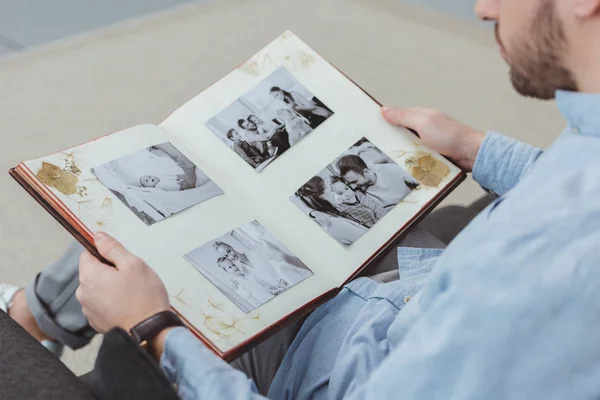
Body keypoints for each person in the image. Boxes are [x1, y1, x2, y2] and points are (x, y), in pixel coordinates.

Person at [3, 0, 600, 398]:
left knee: (142, 234)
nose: (483, 8)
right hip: (413, 283)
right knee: (206, 176)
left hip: (330, 357)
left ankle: (33, 322)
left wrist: (152, 325)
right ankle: (38, 314)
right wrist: (477, 148)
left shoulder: (536, 278)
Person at [338, 154, 418, 208]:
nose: (352, 187)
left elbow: (420, 181)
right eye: (349, 184)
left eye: (354, 181)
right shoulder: (358, 192)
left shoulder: (391, 169)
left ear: (366, 172)